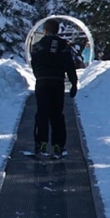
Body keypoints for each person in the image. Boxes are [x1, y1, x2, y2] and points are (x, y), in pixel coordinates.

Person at [30, 17, 78, 158]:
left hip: (43, 81)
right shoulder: (63, 46)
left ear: (45, 30)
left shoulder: (39, 45)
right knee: (57, 114)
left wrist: (39, 75)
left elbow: (34, 63)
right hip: (58, 82)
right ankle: (58, 145)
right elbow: (69, 65)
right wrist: (74, 83)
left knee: (42, 113)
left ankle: (41, 143)